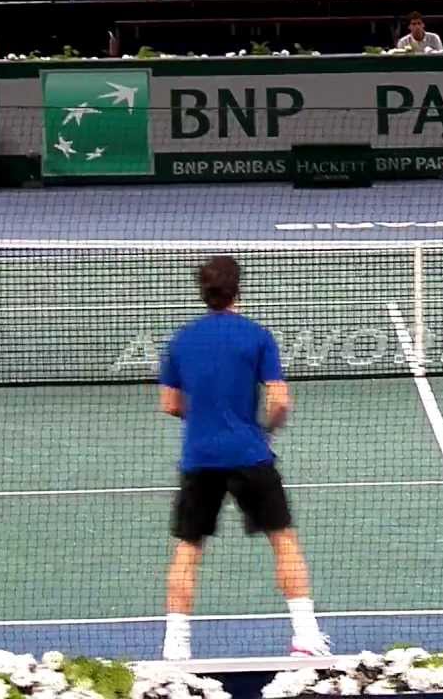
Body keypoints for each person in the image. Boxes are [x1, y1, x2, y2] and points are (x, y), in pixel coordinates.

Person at [159, 256, 330, 661]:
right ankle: (306, 638)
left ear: (204, 292)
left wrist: (201, 416)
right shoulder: (257, 336)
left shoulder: (181, 340)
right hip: (250, 455)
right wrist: (264, 428)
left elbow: (169, 404)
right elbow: (280, 399)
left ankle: (175, 647)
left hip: (200, 458)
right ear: (238, 290)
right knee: (283, 541)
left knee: (188, 548)